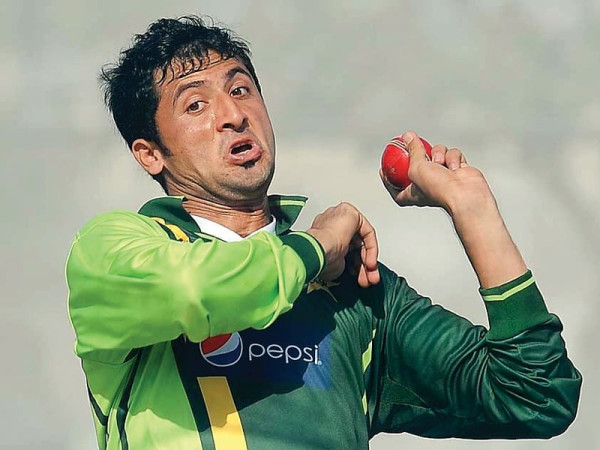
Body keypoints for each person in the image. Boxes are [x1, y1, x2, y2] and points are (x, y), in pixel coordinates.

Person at [66, 16, 581, 450]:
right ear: (150, 154)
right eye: (195, 104)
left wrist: (472, 208)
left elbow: (537, 396)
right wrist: (318, 244)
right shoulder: (114, 249)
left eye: (241, 89)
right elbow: (194, 290)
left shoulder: (354, 291)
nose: (233, 115)